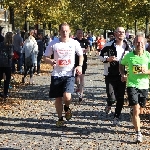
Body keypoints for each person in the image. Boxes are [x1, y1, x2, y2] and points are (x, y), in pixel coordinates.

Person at [43, 22, 83, 127]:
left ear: (69, 31)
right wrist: (51, 61)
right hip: (56, 74)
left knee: (67, 96)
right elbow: (45, 57)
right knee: (58, 98)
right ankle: (60, 118)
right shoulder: (53, 43)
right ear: (59, 31)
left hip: (69, 73)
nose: (65, 33)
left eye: (66, 31)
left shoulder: (74, 43)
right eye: (62, 31)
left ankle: (67, 107)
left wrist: (79, 66)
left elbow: (81, 55)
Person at [119, 35, 150, 143]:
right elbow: (121, 65)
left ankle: (134, 112)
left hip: (144, 86)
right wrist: (123, 74)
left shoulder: (148, 56)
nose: (139, 45)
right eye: (137, 42)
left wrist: (146, 71)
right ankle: (138, 133)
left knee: (141, 110)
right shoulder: (129, 56)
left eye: (141, 43)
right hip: (132, 84)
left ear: (144, 44)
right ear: (134, 43)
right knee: (137, 110)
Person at [99, 27, 130, 125]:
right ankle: (109, 103)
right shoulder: (108, 45)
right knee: (112, 97)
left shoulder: (128, 46)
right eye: (119, 32)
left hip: (122, 74)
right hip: (110, 74)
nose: (121, 33)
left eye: (123, 32)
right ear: (115, 34)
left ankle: (116, 116)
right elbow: (100, 57)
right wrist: (108, 59)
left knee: (120, 97)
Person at [74, 29, 89, 102]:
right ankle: (78, 86)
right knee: (76, 78)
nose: (80, 34)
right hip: (74, 61)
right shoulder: (74, 41)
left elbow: (88, 49)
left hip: (83, 61)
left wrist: (85, 50)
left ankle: (81, 94)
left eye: (81, 33)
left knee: (82, 77)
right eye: (79, 33)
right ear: (76, 34)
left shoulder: (85, 41)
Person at [0, 32, 14, 98]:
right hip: (7, 64)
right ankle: (5, 93)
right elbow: (10, 55)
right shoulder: (10, 46)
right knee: (7, 79)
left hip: (0, 63)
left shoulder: (1, 44)